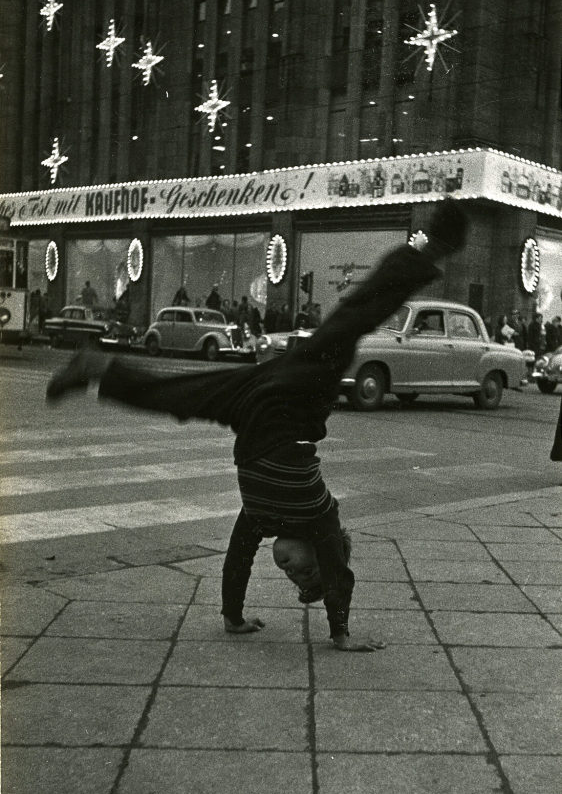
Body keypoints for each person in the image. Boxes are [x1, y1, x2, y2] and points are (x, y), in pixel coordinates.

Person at [46, 197, 469, 651]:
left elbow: (237, 561)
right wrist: (340, 633)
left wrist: (232, 616)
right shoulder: (319, 512)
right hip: (298, 400)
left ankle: (97, 368)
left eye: (293, 578)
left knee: (181, 398)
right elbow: (339, 572)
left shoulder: (258, 518)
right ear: (318, 546)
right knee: (351, 320)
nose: (290, 569)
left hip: (254, 404)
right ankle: (431, 250)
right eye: (307, 569)